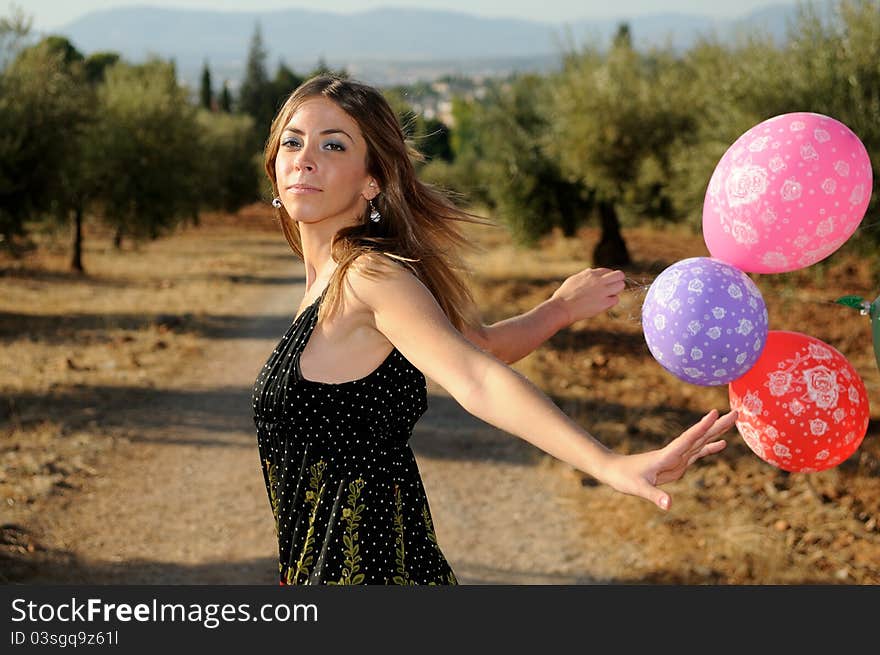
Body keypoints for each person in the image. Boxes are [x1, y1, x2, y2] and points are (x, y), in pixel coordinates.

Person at [251, 74, 737, 586]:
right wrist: (557, 310)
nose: (305, 157)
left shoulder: (369, 276)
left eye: (333, 144)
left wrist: (608, 463)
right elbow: (478, 346)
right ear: (274, 163)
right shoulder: (335, 282)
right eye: (292, 140)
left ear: (372, 179)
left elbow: (474, 376)